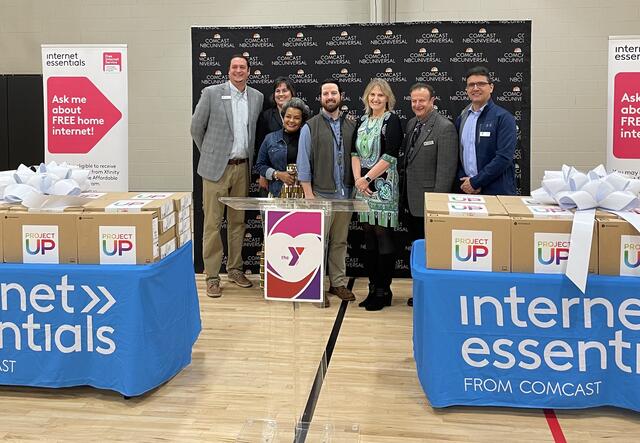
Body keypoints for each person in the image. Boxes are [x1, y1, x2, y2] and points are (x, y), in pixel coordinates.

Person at [190, 54, 264, 298]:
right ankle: (212, 277)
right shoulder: (212, 93)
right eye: (234, 67)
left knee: (238, 222)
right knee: (212, 223)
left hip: (243, 168)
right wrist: (212, 153)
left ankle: (235, 269)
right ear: (228, 70)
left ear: (249, 71)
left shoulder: (256, 97)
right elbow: (195, 128)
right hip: (215, 169)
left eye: (243, 67)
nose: (238, 71)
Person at [297, 79, 357, 305]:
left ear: (341, 96)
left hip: (346, 195)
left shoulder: (352, 125)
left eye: (333, 93)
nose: (330, 97)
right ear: (320, 98)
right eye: (325, 94)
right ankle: (316, 287)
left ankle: (338, 283)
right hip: (320, 195)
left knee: (340, 241)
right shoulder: (309, 126)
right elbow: (303, 163)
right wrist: (309, 195)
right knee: (317, 243)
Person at [402, 83, 458, 307]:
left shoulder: (444, 128)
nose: (417, 105)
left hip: (430, 205)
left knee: (432, 253)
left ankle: (431, 296)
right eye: (414, 101)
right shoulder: (411, 124)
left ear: (432, 101)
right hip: (412, 201)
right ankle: (421, 293)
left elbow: (445, 172)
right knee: (419, 251)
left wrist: (435, 207)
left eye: (422, 100)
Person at [351, 78, 403, 311]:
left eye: (380, 95)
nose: (376, 99)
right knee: (368, 237)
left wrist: (367, 179)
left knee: (383, 235)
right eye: (372, 95)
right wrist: (358, 181)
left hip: (383, 186)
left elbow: (391, 155)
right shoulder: (362, 121)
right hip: (362, 187)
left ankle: (384, 289)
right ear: (366, 97)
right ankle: (373, 287)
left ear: (388, 98)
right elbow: (354, 152)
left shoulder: (391, 120)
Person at [455, 66, 517, 196]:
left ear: (491, 87)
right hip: (467, 191)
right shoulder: (462, 118)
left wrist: (476, 182)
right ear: (466, 89)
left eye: (481, 84)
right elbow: (458, 155)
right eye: (471, 85)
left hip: (496, 192)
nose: (475, 88)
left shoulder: (504, 118)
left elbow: (504, 157)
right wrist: (467, 183)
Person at [255, 97, 311, 197]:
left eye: (297, 118)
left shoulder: (309, 139)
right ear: (283, 117)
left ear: (302, 120)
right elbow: (260, 165)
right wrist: (277, 174)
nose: (291, 121)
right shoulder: (270, 138)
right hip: (277, 192)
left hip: (304, 194)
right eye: (288, 116)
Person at [255, 77, 297, 194]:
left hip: (297, 179)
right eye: (278, 91)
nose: (281, 94)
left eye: (285, 90)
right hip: (272, 178)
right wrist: (263, 175)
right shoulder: (265, 116)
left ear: (292, 93)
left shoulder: (302, 115)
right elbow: (260, 147)